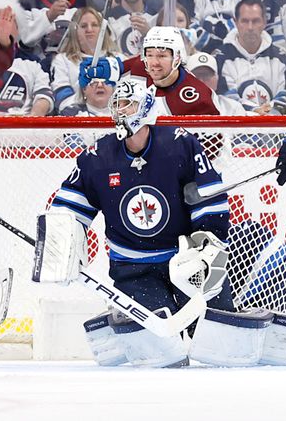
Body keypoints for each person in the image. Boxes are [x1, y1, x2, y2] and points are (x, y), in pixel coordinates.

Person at [47, 77, 247, 368]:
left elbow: (208, 195)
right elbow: (68, 209)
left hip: (188, 262)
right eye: (118, 105)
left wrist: (207, 242)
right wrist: (60, 244)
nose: (122, 111)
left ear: (147, 108)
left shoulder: (179, 144)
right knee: (160, 355)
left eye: (129, 104)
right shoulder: (97, 156)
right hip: (134, 270)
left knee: (223, 347)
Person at [87, 26, 223, 115]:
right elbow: (116, 68)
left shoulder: (200, 97)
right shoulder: (141, 66)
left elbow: (213, 149)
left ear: (177, 58)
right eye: (150, 55)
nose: (154, 63)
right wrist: (93, 71)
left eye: (162, 56)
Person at [216, 0, 286, 114]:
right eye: (245, 21)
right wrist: (254, 111)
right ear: (236, 22)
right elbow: (225, 98)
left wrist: (271, 112)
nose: (250, 27)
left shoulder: (282, 58)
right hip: (234, 128)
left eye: (255, 21)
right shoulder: (220, 58)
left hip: (276, 126)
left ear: (264, 23)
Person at [51, 7, 122, 113]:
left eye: (94, 25)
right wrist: (89, 103)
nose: (89, 30)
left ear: (102, 29)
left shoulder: (118, 59)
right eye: (84, 26)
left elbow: (129, 96)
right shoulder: (62, 60)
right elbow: (62, 99)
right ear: (74, 31)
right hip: (78, 120)